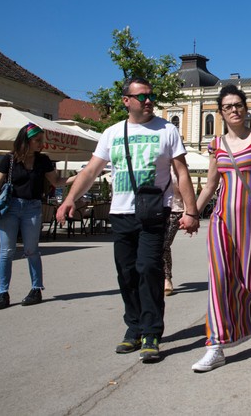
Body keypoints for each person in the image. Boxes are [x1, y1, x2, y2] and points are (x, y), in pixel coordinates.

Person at [58, 77, 200, 363]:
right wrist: (69, 198)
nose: (148, 101)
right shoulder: (111, 133)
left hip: (153, 212)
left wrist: (191, 210)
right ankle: (133, 327)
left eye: (151, 96)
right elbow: (90, 171)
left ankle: (151, 332)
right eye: (141, 97)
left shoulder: (167, 130)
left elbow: (181, 172)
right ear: (126, 101)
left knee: (148, 268)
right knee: (126, 273)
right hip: (121, 213)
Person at [191, 84, 251, 372]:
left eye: (238, 105)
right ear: (220, 112)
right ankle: (216, 346)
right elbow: (210, 185)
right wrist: (191, 212)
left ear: (246, 108)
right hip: (221, 221)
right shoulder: (216, 145)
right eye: (228, 106)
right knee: (219, 279)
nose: (234, 109)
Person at [0, 123, 77, 310]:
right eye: (37, 140)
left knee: (31, 250)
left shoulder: (43, 160)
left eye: (41, 140)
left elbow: (57, 182)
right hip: (10, 207)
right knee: (6, 251)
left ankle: (36, 288)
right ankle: (2, 292)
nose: (41, 144)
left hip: (32, 207)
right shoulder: (10, 159)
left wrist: (83, 175)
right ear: (25, 141)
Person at [163, 169, 184, 296]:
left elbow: (186, 192)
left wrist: (189, 213)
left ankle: (166, 278)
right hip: (156, 210)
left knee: (164, 244)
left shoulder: (177, 170)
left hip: (175, 211)